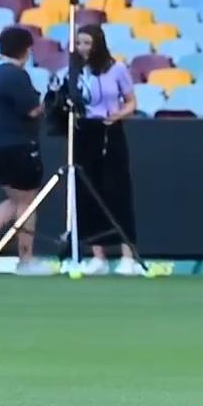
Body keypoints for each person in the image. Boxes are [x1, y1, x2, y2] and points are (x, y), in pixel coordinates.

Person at [0, 26, 53, 275]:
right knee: (28, 201)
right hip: (16, 145)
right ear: (26, 50)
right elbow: (33, 110)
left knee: (17, 198)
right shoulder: (15, 74)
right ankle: (26, 259)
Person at [71, 24, 142, 276]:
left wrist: (118, 114)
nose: (82, 48)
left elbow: (131, 101)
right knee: (89, 192)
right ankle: (97, 254)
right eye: (79, 43)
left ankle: (127, 255)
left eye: (87, 43)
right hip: (85, 132)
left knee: (117, 190)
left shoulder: (117, 68)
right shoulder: (76, 70)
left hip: (110, 132)